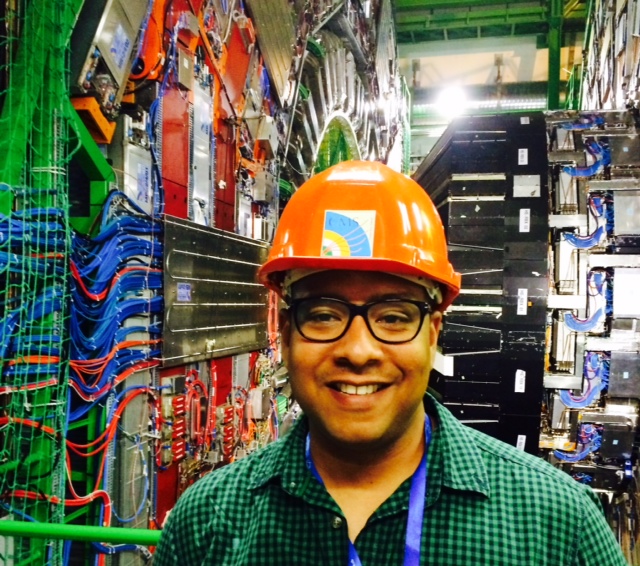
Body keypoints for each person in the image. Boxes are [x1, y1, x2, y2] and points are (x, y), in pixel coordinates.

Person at [153, 160, 628, 565]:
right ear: (284, 332)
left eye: (395, 317)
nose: (359, 351)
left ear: (434, 332)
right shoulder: (205, 527)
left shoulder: (558, 527)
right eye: (322, 314)